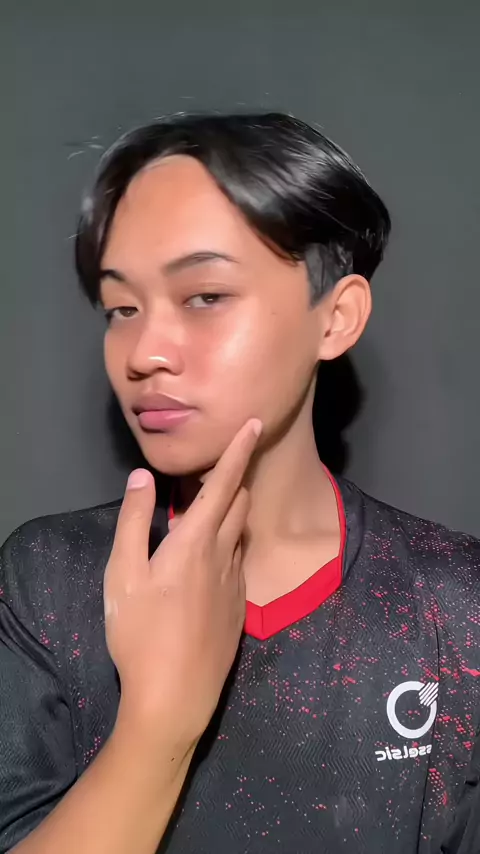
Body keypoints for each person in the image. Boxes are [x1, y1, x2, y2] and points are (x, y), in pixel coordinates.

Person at [0, 111, 478, 854]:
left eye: (205, 297)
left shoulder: (453, 601)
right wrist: (156, 726)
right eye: (121, 308)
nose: (144, 352)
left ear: (337, 318)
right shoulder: (47, 577)